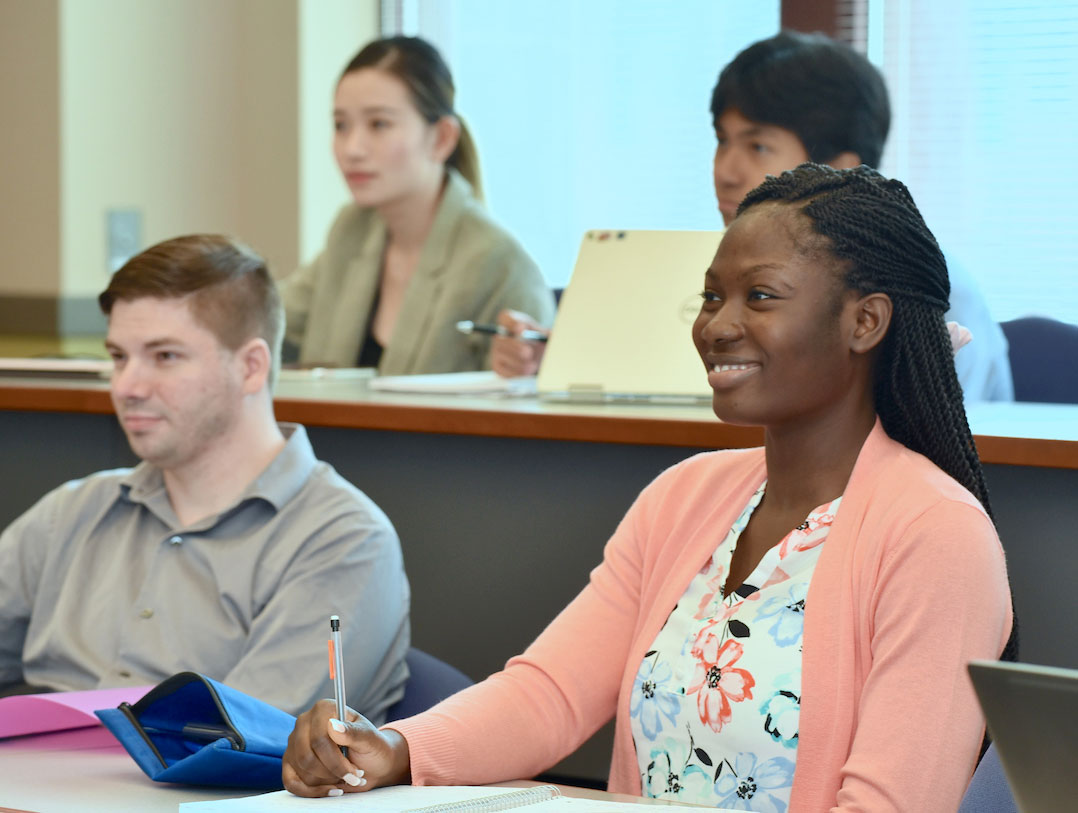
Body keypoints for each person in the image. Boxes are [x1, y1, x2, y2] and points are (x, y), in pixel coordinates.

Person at [281, 164, 1013, 811]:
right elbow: (550, 693)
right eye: (710, 297)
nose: (717, 326)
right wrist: (396, 747)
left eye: (759, 296)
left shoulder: (937, 532)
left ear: (865, 321)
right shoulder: (684, 496)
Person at [0, 235, 410, 720]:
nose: (127, 386)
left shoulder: (341, 540)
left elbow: (248, 748)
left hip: (184, 795)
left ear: (251, 367)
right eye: (118, 357)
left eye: (165, 356)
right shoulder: (71, 512)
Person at [492, 31, 1014, 404]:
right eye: (722, 141)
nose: (725, 170)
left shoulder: (934, 290)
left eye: (758, 145)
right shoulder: (715, 280)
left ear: (841, 169)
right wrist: (549, 364)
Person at [280, 36, 556, 374]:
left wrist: (523, 365)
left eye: (378, 124)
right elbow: (270, 328)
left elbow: (529, 401)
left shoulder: (499, 264)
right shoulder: (352, 229)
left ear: (441, 139)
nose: (352, 148)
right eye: (341, 126)